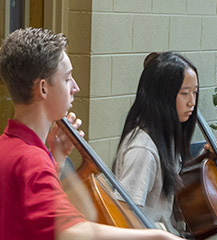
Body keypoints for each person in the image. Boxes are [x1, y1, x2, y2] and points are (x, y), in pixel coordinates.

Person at [0, 27, 183, 240]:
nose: (75, 87)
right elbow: (69, 231)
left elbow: (27, 216)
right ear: (43, 88)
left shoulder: (8, 146)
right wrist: (157, 237)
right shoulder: (32, 160)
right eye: (67, 78)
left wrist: (57, 158)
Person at [112, 51, 217, 236]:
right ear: (162, 96)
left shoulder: (167, 138)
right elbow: (122, 213)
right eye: (184, 93)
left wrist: (204, 156)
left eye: (195, 92)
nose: (192, 102)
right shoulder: (143, 149)